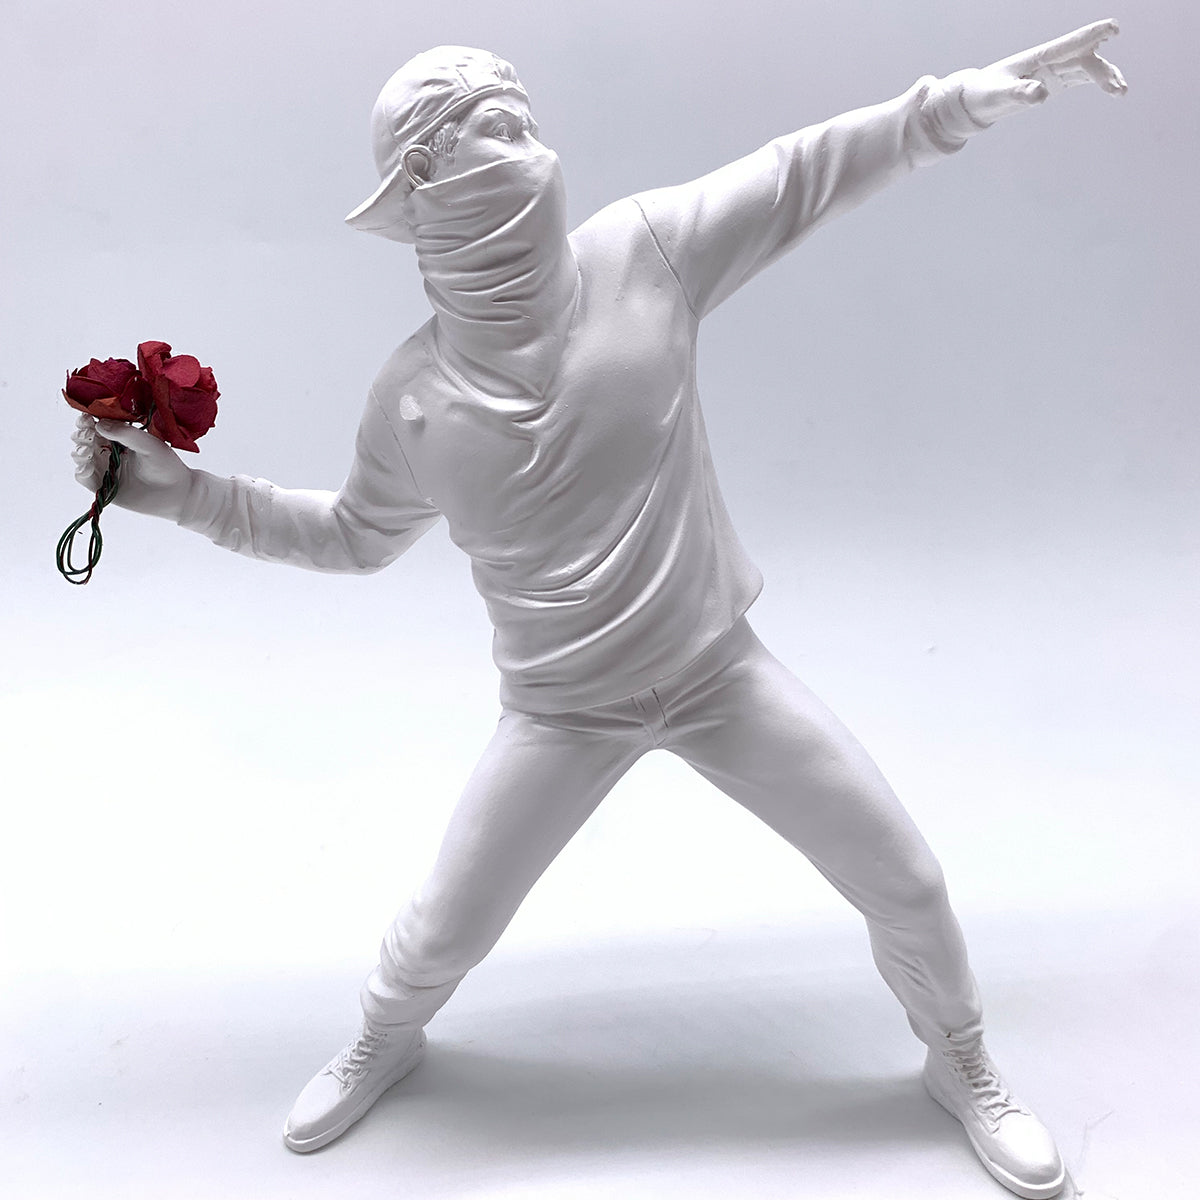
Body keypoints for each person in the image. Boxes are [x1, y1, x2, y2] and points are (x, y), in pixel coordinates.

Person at [70, 23, 1125, 1199]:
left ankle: (960, 1058)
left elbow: (804, 173)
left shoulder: (647, 255)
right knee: (441, 931)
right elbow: (354, 536)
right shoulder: (414, 401)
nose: (530, 149)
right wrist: (187, 497)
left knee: (907, 881)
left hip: (719, 675)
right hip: (561, 711)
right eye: (494, 127)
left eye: (528, 121)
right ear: (424, 180)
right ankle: (385, 1036)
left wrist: (956, 104)